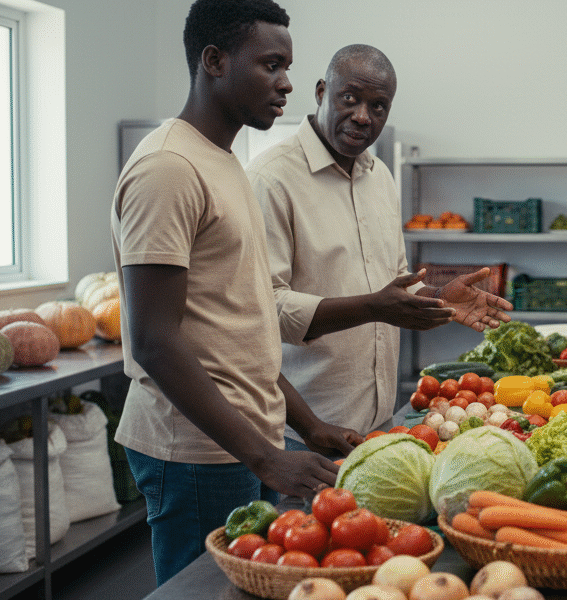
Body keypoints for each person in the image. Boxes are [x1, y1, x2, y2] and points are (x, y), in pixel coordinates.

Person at [111, 0, 356, 584]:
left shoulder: (222, 160)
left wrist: (306, 424)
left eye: (286, 67)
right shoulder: (168, 168)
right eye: (271, 65)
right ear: (214, 61)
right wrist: (266, 457)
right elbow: (154, 340)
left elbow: (237, 326)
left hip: (240, 441)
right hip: (197, 451)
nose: (287, 83)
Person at [247, 44, 513, 442]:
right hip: (302, 432)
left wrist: (438, 297)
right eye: (349, 98)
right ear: (321, 92)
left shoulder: (380, 177)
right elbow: (264, 309)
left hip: (377, 422)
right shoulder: (270, 180)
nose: (362, 116)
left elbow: (395, 280)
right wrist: (373, 308)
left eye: (378, 106)